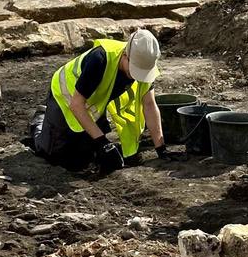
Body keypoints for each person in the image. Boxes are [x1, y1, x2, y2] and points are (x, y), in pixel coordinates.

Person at [30, 29, 180, 173]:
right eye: (133, 71)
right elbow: (76, 105)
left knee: (85, 155)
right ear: (125, 55)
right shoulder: (100, 59)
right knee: (54, 155)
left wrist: (161, 148)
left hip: (94, 101)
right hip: (65, 95)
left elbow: (149, 105)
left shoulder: (144, 63)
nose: (135, 77)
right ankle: (40, 120)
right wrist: (102, 142)